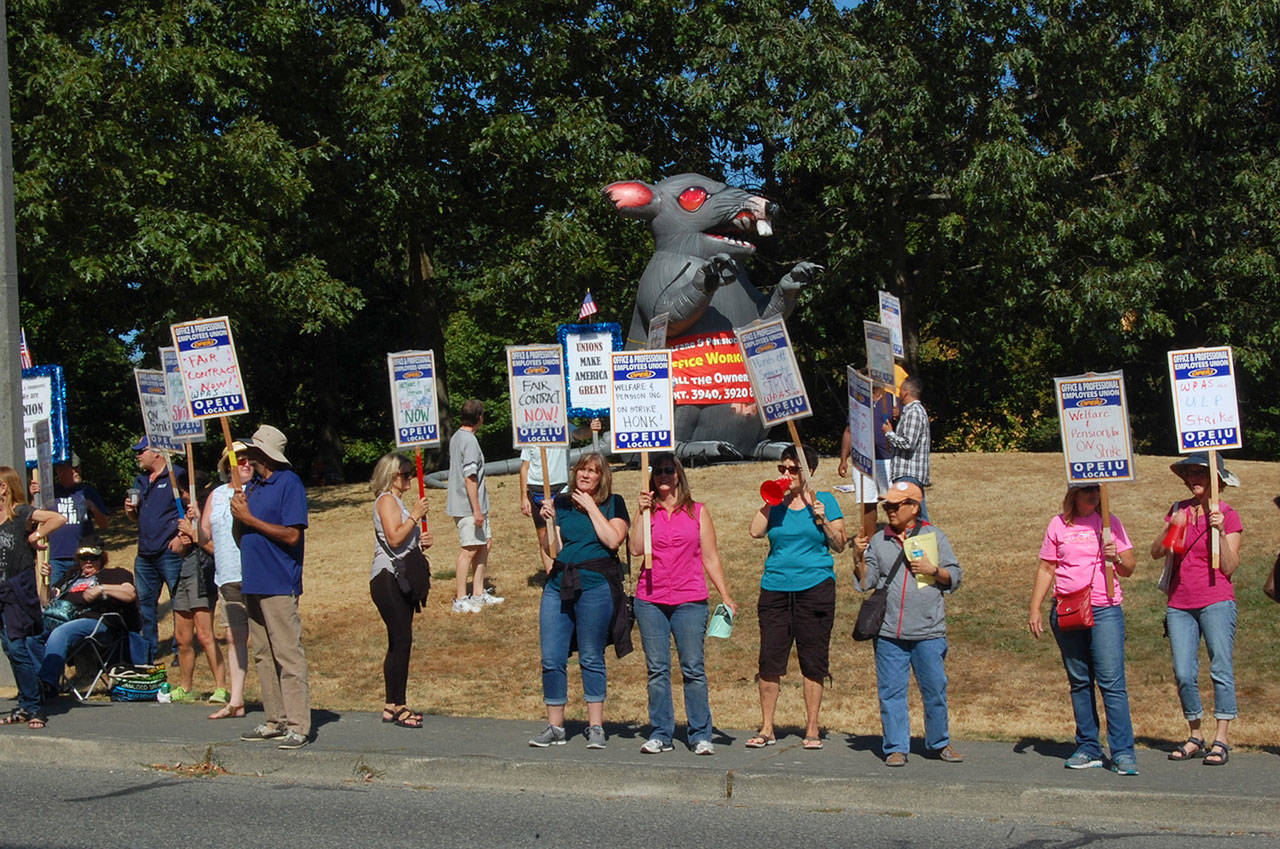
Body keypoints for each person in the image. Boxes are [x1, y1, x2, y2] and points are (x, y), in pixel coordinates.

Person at [627, 452, 736, 755]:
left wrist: (725, 594)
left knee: (693, 669)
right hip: (651, 600)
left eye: (669, 471)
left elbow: (711, 557)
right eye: (658, 472)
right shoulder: (648, 512)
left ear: (679, 475)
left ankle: (701, 733)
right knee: (657, 670)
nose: (664, 476)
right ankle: (661, 733)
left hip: (690, 600)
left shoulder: (697, 512)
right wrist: (640, 513)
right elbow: (635, 549)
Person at [1029, 483, 1139, 774]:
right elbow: (1046, 568)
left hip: (1104, 609)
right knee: (1079, 681)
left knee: (1112, 683)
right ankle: (1088, 746)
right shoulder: (1058, 524)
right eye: (1086, 489)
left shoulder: (1110, 523)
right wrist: (1035, 607)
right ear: (1073, 494)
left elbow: (1129, 567)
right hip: (1067, 609)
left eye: (1095, 490)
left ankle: (1123, 752)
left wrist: (1117, 555)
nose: (1092, 494)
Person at [746, 444, 846, 750]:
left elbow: (841, 544)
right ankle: (767, 727)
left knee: (813, 659)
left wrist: (824, 519)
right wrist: (769, 500)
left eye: (794, 470)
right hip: (776, 587)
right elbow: (755, 531)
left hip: (814, 586)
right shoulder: (775, 503)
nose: (787, 475)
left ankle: (812, 728)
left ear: (810, 472)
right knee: (769, 659)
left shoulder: (825, 500)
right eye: (783, 469)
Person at [856, 480, 961, 766]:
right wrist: (858, 558)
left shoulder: (935, 536)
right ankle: (895, 747)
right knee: (891, 692)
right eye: (886, 505)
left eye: (895, 505)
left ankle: (939, 743)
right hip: (889, 632)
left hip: (929, 631)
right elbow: (867, 582)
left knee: (935, 689)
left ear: (914, 507)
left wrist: (933, 570)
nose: (888, 510)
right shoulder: (878, 540)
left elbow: (955, 576)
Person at [530, 452, 630, 749]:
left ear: (602, 477)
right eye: (582, 469)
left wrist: (590, 507)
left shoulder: (614, 503)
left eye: (593, 471)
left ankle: (595, 726)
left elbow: (613, 540)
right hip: (560, 583)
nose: (585, 475)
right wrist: (547, 523)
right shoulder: (561, 504)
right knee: (552, 657)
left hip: (596, 586)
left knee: (591, 656)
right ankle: (555, 726)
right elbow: (553, 550)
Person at [1150, 453, 1242, 766]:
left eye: (1201, 474)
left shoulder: (1228, 515)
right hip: (1179, 602)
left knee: (1220, 667)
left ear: (1217, 481)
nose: (1195, 479)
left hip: (1217, 599)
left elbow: (1230, 566)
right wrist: (1171, 530)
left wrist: (1218, 531)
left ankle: (1222, 738)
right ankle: (1195, 734)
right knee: (1184, 672)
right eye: (1191, 474)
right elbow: (1155, 552)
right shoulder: (1178, 509)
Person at [232, 425, 312, 750]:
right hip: (253, 580)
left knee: (287, 654)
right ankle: (274, 720)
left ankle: (298, 725)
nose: (247, 455)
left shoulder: (288, 484)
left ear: (265, 454)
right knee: (263, 654)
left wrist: (250, 519)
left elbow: (292, 535)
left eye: (252, 450)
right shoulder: (253, 487)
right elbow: (242, 537)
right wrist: (238, 515)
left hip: (279, 582)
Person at [369, 452, 432, 729]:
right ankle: (399, 704)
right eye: (405, 474)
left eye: (410, 473)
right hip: (387, 577)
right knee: (402, 639)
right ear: (391, 476)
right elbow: (394, 536)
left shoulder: (396, 502)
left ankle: (391, 703)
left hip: (397, 576)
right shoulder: (385, 500)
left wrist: (419, 541)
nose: (410, 478)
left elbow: (402, 539)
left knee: (398, 641)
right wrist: (415, 517)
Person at [0, 465, 65, 729]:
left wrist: (34, 536)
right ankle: (27, 701)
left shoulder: (21, 513)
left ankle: (33, 706)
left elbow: (56, 519)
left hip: (17, 587)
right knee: (9, 649)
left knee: (17, 646)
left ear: (3, 487)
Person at [35, 536, 141, 692]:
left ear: (102, 558)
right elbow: (45, 602)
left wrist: (101, 589)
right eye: (84, 558)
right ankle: (34, 684)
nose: (88, 562)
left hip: (95, 623)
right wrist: (45, 580)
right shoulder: (71, 576)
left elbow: (130, 593)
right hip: (61, 619)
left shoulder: (114, 574)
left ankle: (47, 684)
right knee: (30, 635)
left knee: (61, 632)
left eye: (93, 558)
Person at [199, 441, 251, 720]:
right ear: (226, 467)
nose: (243, 464)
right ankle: (236, 699)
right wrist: (195, 523)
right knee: (234, 636)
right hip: (228, 575)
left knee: (268, 638)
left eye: (247, 460)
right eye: (237, 460)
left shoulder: (256, 491)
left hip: (255, 573)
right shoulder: (217, 495)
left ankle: (280, 699)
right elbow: (204, 534)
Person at [123, 435, 186, 662]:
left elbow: (192, 510)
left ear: (158, 452)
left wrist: (182, 537)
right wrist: (130, 511)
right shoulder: (139, 481)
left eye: (142, 450)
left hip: (170, 552)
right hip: (145, 554)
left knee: (180, 603)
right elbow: (135, 517)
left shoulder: (176, 475)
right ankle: (147, 653)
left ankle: (181, 650)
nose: (138, 455)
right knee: (145, 608)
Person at [172, 474, 227, 704]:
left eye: (185, 493)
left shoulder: (212, 515)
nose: (184, 498)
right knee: (182, 637)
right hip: (183, 574)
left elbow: (217, 548)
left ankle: (221, 688)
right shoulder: (189, 514)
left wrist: (195, 534)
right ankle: (186, 687)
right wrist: (183, 539)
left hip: (202, 574)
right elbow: (175, 547)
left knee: (205, 634)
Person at [520, 419, 602, 571]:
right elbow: (525, 467)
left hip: (561, 488)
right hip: (536, 489)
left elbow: (579, 434)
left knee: (563, 532)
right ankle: (550, 574)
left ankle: (565, 570)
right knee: (543, 535)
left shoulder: (562, 424)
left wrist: (590, 429)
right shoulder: (531, 431)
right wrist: (524, 496)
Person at [447, 399, 502, 612]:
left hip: (473, 505)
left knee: (484, 544)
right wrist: (476, 510)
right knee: (468, 549)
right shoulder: (468, 441)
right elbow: (470, 477)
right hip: (467, 506)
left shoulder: (459, 437)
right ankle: (460, 598)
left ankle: (478, 593)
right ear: (479, 417)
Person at [35, 458, 109, 587]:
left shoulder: (87, 491)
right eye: (73, 468)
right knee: (55, 597)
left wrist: (93, 508)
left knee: (83, 595)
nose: (77, 471)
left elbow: (104, 525)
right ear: (60, 470)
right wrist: (35, 494)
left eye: (79, 468)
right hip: (56, 558)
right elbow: (34, 516)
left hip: (84, 557)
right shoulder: (50, 493)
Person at [882, 376, 932, 521]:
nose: (898, 395)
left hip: (909, 473)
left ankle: (926, 541)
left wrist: (889, 433)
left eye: (900, 390)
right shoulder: (911, 412)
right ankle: (921, 541)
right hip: (909, 473)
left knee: (913, 516)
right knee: (915, 515)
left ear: (905, 392)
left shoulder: (914, 412)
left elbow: (908, 443)